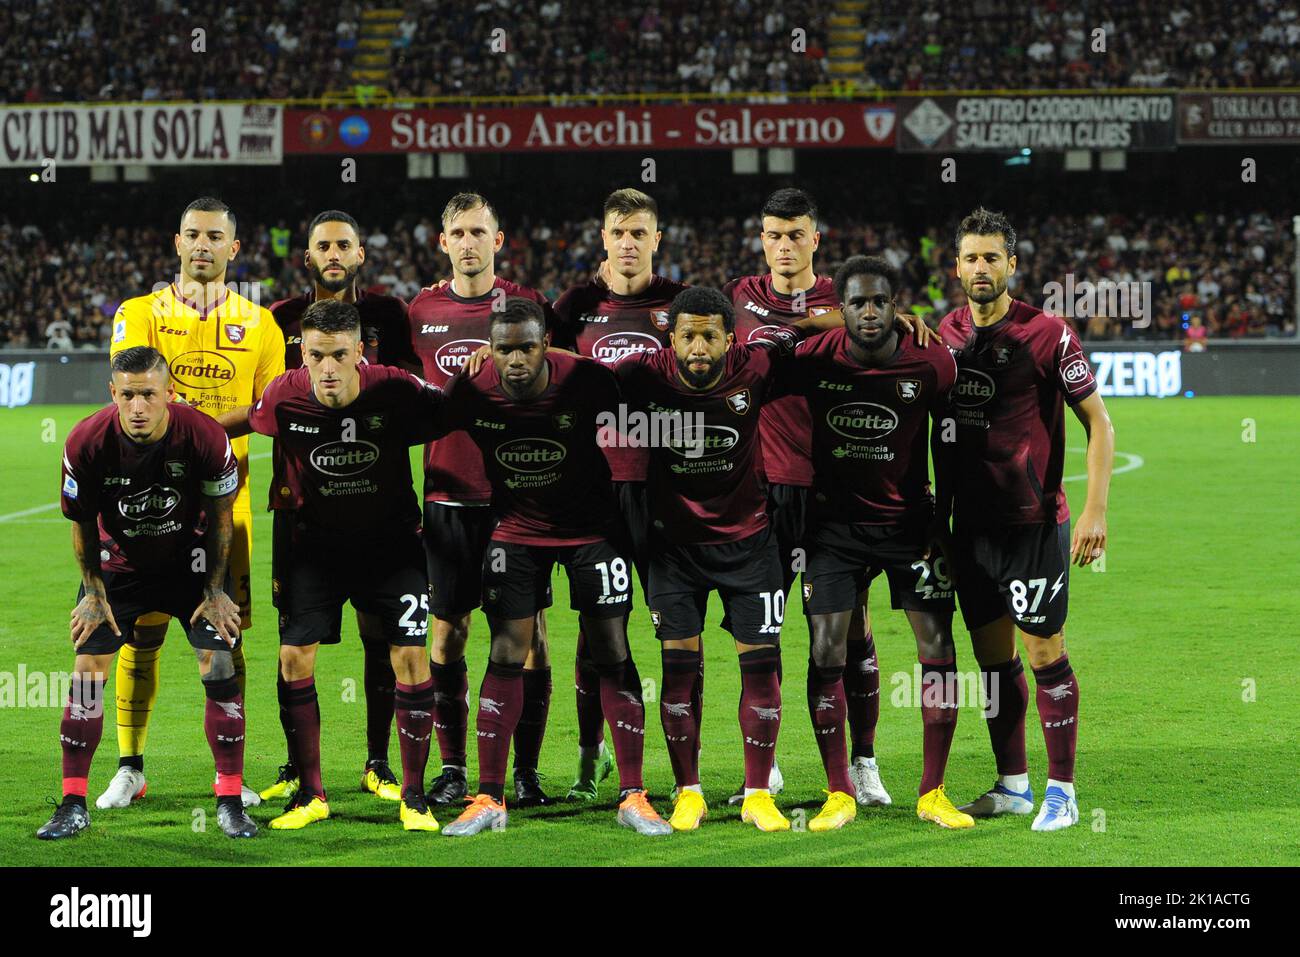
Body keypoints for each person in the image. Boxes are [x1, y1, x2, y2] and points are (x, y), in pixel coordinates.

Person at [437, 297, 670, 838]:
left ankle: (633, 794)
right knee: (505, 650)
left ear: (546, 345)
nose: (514, 360)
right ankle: (489, 797)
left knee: (611, 649)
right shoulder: (471, 388)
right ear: (488, 351)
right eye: (503, 350)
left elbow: (649, 396)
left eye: (525, 347)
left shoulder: (587, 380)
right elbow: (419, 420)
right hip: (516, 531)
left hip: (593, 530)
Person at [613, 286, 840, 832]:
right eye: (688, 334)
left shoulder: (756, 363)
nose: (698, 346)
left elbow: (816, 329)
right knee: (678, 670)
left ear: (729, 339)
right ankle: (689, 792)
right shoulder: (643, 372)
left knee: (761, 666)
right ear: (671, 337)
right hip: (673, 548)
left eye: (710, 335)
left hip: (751, 543)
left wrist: (897, 317)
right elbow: (573, 375)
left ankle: (759, 793)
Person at [222, 299, 448, 832]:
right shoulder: (285, 392)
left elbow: (455, 408)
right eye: (315, 354)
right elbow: (247, 421)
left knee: (412, 660)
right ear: (302, 350)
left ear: (360, 354)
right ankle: (312, 795)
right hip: (312, 549)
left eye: (338, 355)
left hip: (391, 546)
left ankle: (413, 796)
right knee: (293, 658)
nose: (326, 367)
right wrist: (182, 421)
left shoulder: (395, 387)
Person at [100, 196, 284, 811]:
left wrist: (197, 433)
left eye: (214, 237)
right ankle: (130, 767)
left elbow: (267, 411)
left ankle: (229, 776)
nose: (201, 245)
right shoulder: (140, 312)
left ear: (235, 249)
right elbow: (131, 393)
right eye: (191, 235)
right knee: (139, 635)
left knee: (225, 639)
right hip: (144, 504)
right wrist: (198, 428)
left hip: (223, 508)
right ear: (176, 243)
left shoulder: (261, 325)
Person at [938, 208, 1115, 832]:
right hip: (972, 530)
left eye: (992, 257)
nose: (980, 268)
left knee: (1045, 653)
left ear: (1012, 264)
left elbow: (1099, 421)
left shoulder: (1049, 333)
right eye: (971, 258)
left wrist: (1095, 510)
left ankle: (1061, 791)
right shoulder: (948, 333)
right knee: (992, 659)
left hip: (1034, 524)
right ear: (956, 266)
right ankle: (1013, 784)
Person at [778, 256, 970, 830]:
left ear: (895, 306)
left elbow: (950, 446)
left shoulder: (931, 361)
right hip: (832, 530)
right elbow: (766, 344)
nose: (866, 313)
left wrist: (946, 523)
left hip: (911, 528)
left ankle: (933, 791)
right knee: (826, 648)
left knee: (936, 647)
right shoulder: (816, 356)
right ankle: (839, 790)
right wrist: (815, 324)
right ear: (842, 308)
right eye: (855, 302)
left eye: (878, 302)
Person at [39, 346, 255, 840]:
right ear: (112, 393)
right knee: (87, 670)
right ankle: (72, 802)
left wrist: (217, 590)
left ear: (170, 394)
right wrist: (93, 592)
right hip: (120, 566)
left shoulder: (204, 435)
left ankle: (229, 799)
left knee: (218, 662)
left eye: (149, 395)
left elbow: (223, 518)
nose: (138, 407)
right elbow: (81, 526)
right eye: (128, 395)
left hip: (191, 563)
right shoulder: (86, 441)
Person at [260, 209, 420, 805]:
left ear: (360, 254)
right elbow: (271, 402)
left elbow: (407, 388)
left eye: (343, 245)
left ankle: (378, 762)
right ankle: (297, 764)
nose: (332, 254)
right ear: (307, 256)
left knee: (382, 636)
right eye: (321, 245)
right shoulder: (278, 320)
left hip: (377, 498)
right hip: (298, 504)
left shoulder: (388, 316)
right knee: (293, 638)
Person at [408, 193, 555, 808]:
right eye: (458, 232)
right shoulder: (420, 311)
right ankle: (452, 769)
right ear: (442, 242)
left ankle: (524, 773)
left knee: (530, 637)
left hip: (516, 497)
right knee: (447, 635)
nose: (468, 242)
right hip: (447, 496)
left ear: (499, 240)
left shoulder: (527, 308)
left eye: (479, 231)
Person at [550, 187, 689, 801]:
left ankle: (690, 768)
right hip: (595, 493)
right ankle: (591, 754)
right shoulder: (572, 307)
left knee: (679, 630)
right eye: (618, 232)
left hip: (668, 492)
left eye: (640, 233)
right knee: (596, 630)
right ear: (602, 238)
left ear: (657, 239)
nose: (628, 243)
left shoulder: (682, 307)